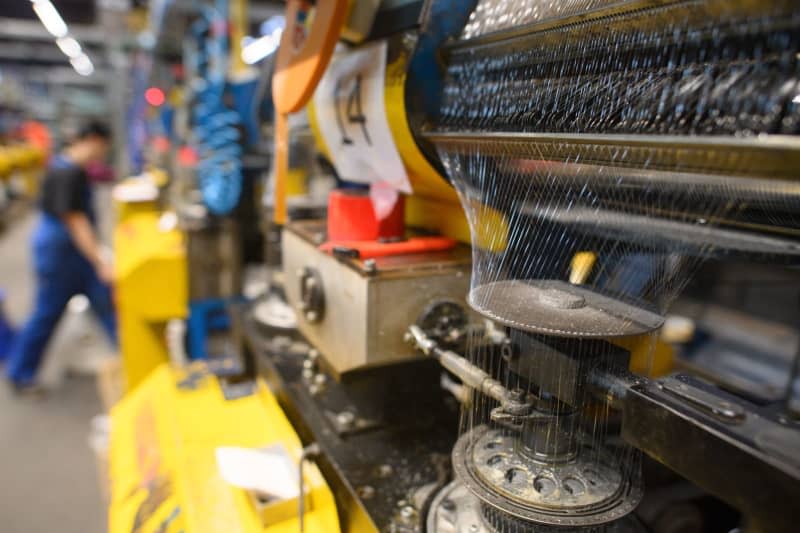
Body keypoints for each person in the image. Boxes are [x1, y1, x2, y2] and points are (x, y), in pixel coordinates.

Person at [5, 121, 116, 394]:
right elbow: (76, 221)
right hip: (61, 254)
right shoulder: (68, 173)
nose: (102, 153)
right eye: (103, 146)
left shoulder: (66, 167)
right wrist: (101, 261)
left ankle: (135, 362)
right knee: (47, 314)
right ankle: (20, 373)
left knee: (106, 305)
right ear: (93, 139)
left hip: (66, 251)